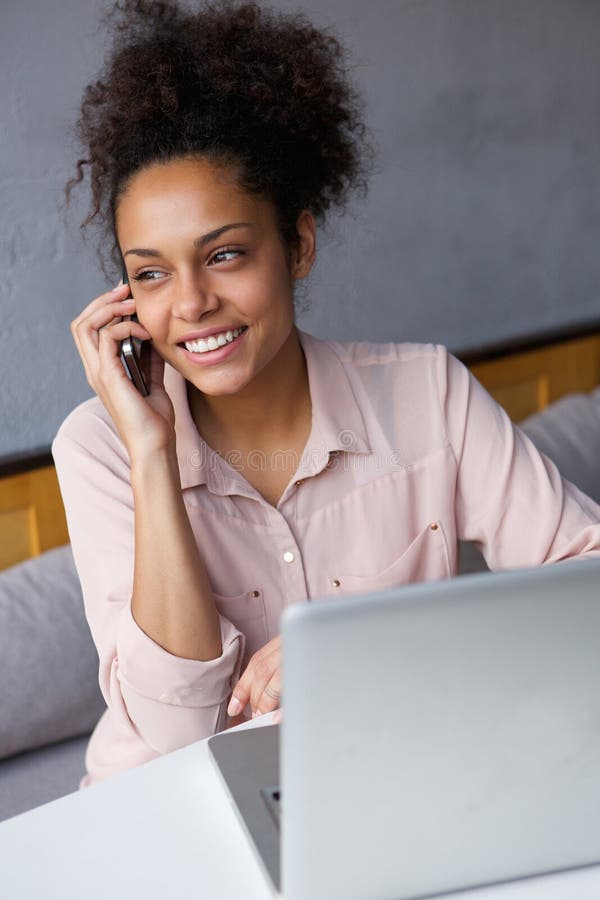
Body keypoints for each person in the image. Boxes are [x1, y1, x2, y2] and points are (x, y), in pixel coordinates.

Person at [54, 0, 600, 790]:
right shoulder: (100, 445)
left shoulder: (428, 395)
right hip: (172, 813)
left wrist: (356, 647)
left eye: (227, 253)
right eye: (151, 273)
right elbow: (176, 735)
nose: (192, 302)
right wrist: (150, 454)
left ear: (298, 245)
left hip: (391, 782)